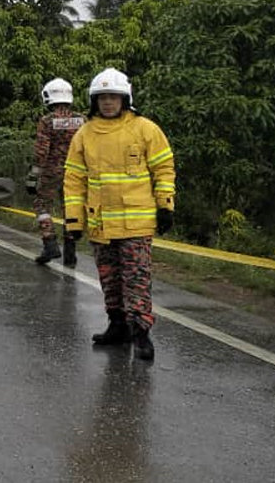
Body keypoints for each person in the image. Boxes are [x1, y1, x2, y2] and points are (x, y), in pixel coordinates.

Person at [63, 68, 175, 361]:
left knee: (136, 279)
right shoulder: (84, 134)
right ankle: (118, 326)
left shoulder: (145, 129)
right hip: (101, 224)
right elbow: (74, 180)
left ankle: (141, 333)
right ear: (94, 101)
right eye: (102, 98)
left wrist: (165, 205)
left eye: (113, 97)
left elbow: (163, 169)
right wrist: (74, 220)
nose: (108, 103)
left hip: (136, 224)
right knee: (109, 279)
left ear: (124, 99)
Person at [28, 78, 85, 266]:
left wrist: (33, 176)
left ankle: (50, 243)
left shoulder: (47, 121)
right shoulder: (81, 120)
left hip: (52, 171)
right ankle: (71, 253)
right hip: (76, 171)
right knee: (70, 208)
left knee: (41, 204)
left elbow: (41, 151)